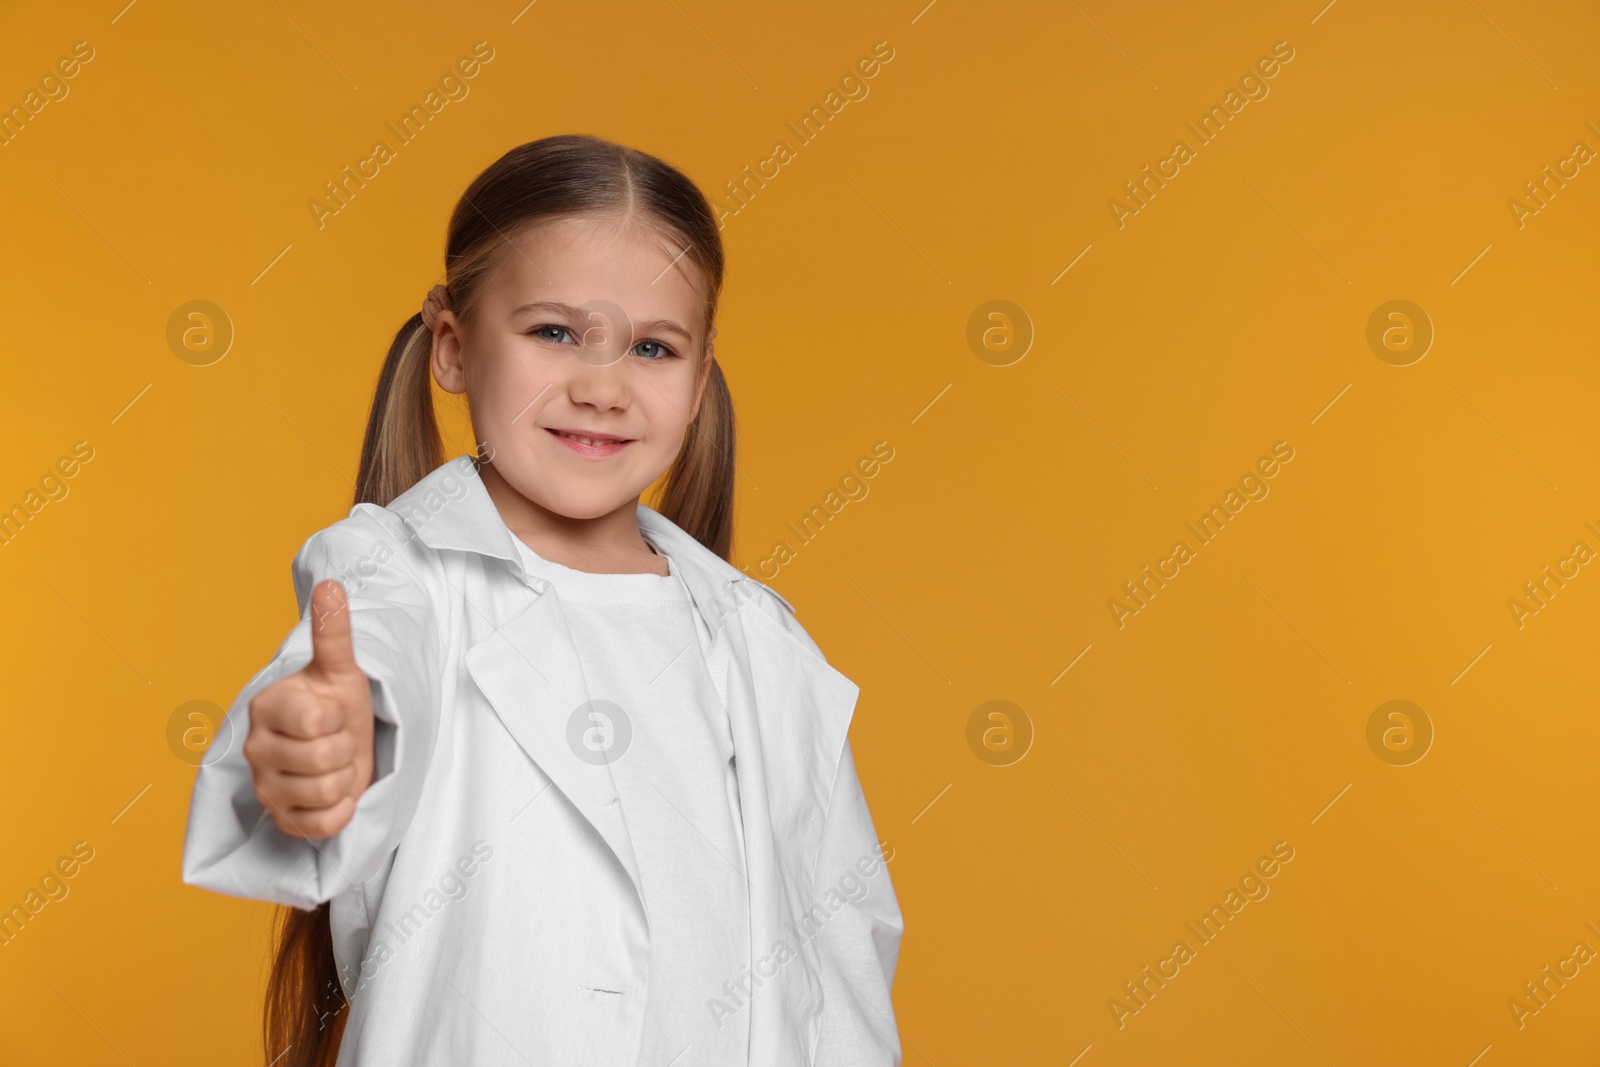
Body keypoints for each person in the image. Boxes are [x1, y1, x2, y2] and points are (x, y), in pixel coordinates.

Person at [180, 134, 904, 1067]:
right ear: (452, 346)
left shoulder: (758, 645)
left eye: (653, 346)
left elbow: (839, 978)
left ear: (698, 381)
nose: (602, 387)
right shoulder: (400, 579)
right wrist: (312, 743)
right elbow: (350, 695)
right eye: (554, 332)